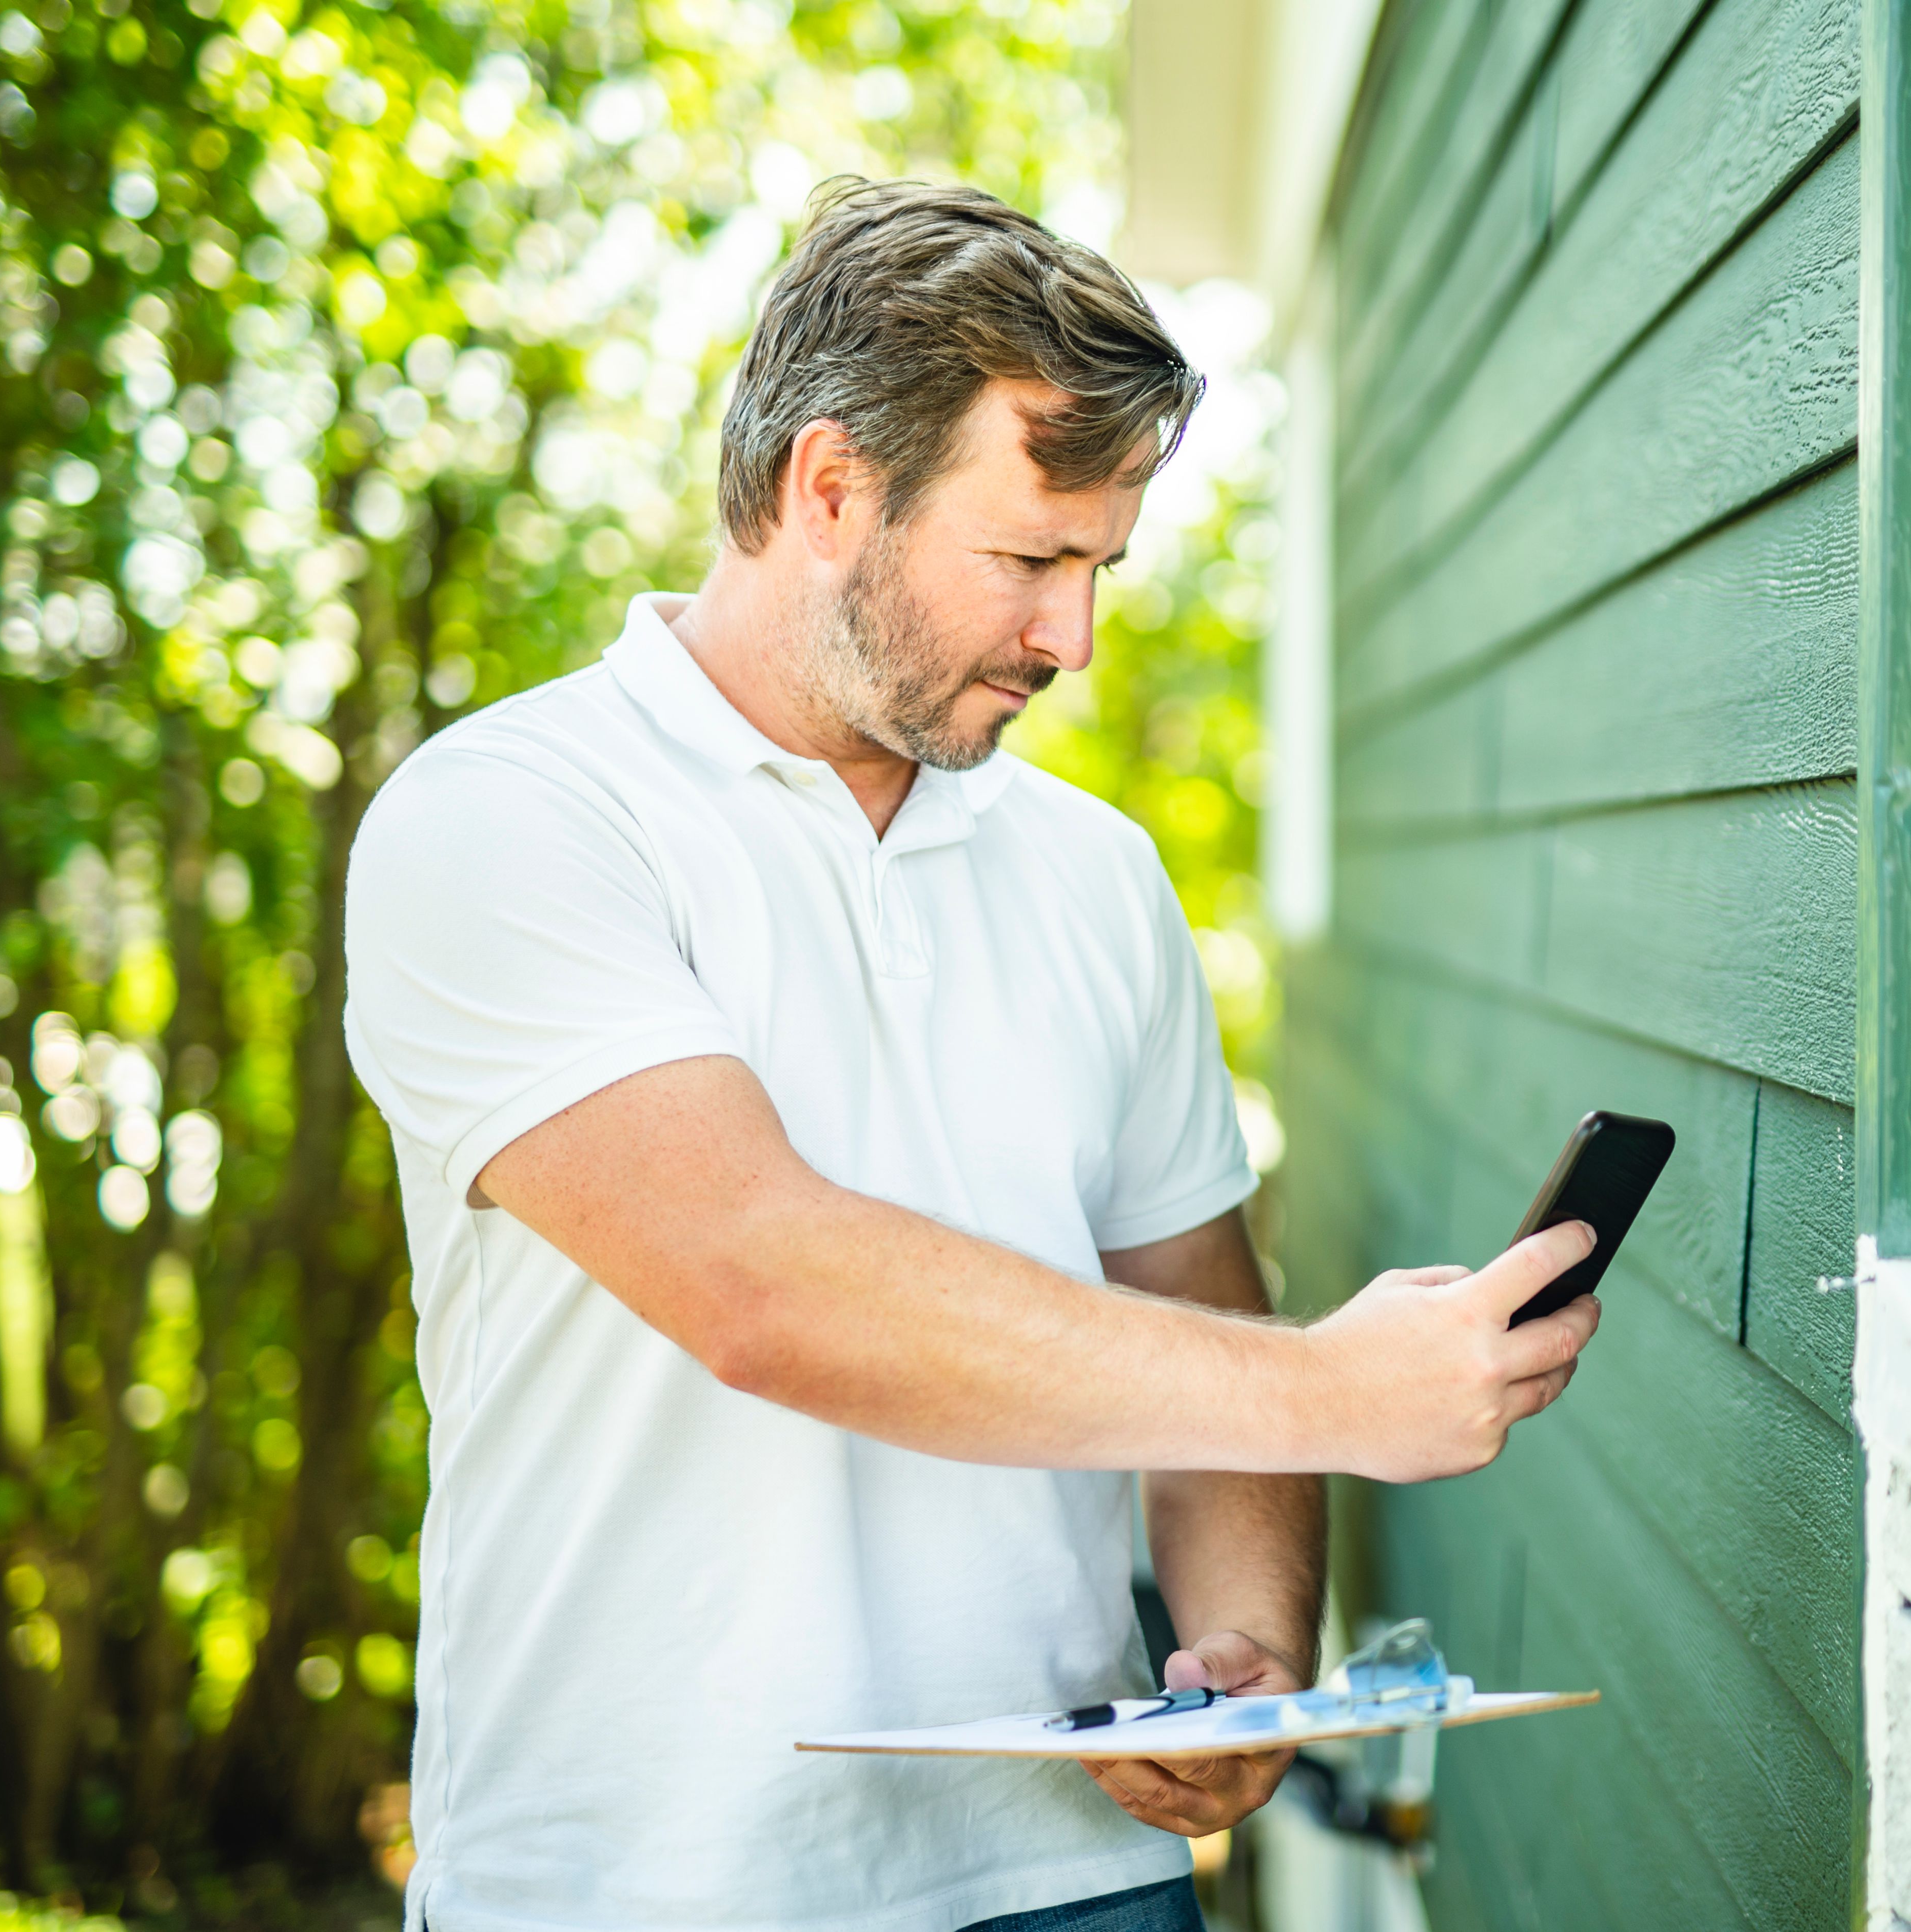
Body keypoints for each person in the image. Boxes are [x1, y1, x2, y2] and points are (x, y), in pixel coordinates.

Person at [341, 177, 1602, 1932]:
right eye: (1028, 560)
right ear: (830, 488)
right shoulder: (506, 824)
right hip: (645, 1883)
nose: (1072, 639)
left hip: (1075, 1877)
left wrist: (1245, 1651)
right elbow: (761, 1285)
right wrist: (1343, 1387)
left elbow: (1198, 1311)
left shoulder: (1095, 877)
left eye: (1100, 568)